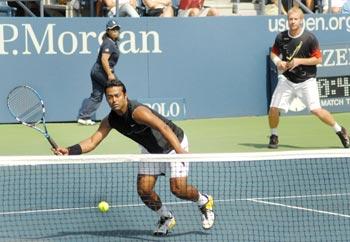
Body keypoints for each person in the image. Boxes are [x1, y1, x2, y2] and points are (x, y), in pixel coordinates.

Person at [54, 80, 215, 235]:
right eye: (109, 97)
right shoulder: (111, 120)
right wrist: (70, 150)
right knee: (144, 190)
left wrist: (179, 150)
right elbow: (92, 141)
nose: (113, 100)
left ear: (125, 95)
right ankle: (166, 217)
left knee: (178, 189)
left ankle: (203, 201)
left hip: (173, 144)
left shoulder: (138, 112)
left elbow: (163, 127)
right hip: (150, 150)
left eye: (117, 95)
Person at [268, 6, 350, 149]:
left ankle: (340, 130)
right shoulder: (281, 37)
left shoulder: (309, 38)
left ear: (301, 21)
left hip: (307, 80)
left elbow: (318, 59)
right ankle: (274, 135)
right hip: (287, 80)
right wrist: (278, 62)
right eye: (290, 19)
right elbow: (273, 53)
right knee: (273, 109)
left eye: (295, 19)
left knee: (316, 110)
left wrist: (299, 61)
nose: (292, 22)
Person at [77, 20, 121, 125]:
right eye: (113, 29)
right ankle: (122, 116)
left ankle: (84, 117)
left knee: (96, 95)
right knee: (117, 90)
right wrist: (110, 74)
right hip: (102, 71)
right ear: (108, 31)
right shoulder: (108, 43)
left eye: (117, 29)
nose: (115, 31)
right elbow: (104, 59)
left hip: (96, 71)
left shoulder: (111, 42)